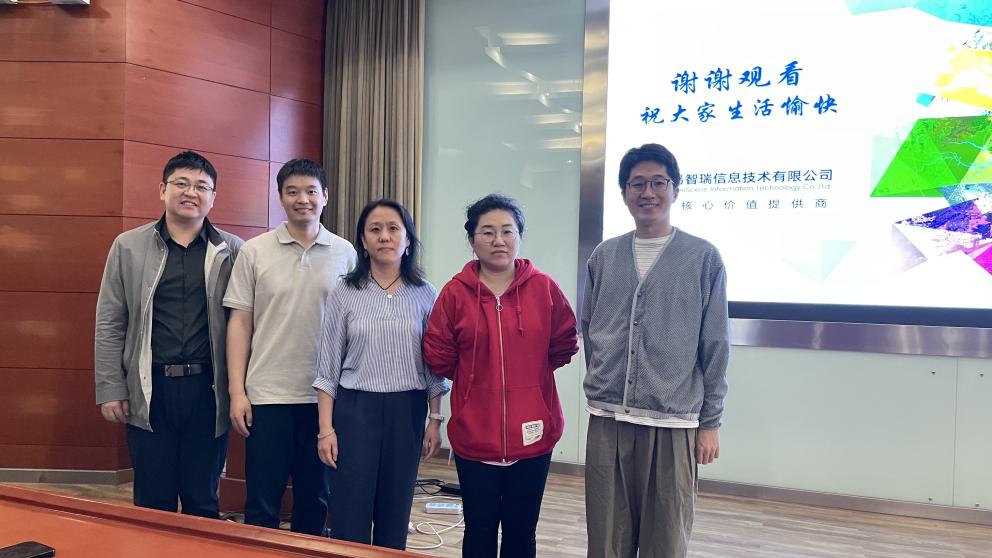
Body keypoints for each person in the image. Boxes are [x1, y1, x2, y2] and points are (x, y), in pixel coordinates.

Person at [582, 143, 730, 558]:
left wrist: (710, 422)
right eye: (637, 184)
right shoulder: (604, 256)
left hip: (673, 421)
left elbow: (715, 343)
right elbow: (590, 327)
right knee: (606, 537)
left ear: (675, 190)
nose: (648, 192)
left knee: (666, 538)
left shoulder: (703, 258)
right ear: (624, 193)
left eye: (658, 183)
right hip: (608, 419)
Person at [423, 193, 579, 558]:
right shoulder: (454, 294)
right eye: (488, 232)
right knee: (479, 529)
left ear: (519, 236)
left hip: (534, 435)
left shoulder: (544, 288)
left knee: (522, 531)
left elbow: (564, 344)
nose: (498, 240)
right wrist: (475, 383)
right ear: (472, 239)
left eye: (507, 231)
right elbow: (439, 354)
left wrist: (529, 381)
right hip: (474, 435)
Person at [94, 150, 243, 518]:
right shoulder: (128, 246)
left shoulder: (232, 251)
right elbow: (110, 322)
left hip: (208, 390)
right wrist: (111, 387)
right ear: (162, 189)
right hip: (150, 389)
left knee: (202, 500)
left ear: (213, 197)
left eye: (201, 186)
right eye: (181, 183)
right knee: (152, 501)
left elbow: (245, 325)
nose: (191, 192)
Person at [223, 158, 357, 535]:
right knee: (262, 501)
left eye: (311, 191)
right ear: (281, 197)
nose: (303, 199)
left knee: (315, 501)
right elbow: (240, 323)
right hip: (267, 396)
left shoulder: (346, 253)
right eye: (292, 192)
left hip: (324, 399)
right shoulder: (255, 251)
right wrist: (237, 392)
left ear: (325, 196)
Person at [313, 199, 449, 549]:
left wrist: (435, 419)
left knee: (395, 508)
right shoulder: (344, 292)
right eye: (375, 229)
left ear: (408, 239)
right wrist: (326, 429)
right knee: (350, 509)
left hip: (407, 410)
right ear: (363, 240)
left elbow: (434, 365)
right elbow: (327, 366)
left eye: (393, 229)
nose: (384, 236)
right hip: (355, 410)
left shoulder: (426, 293)